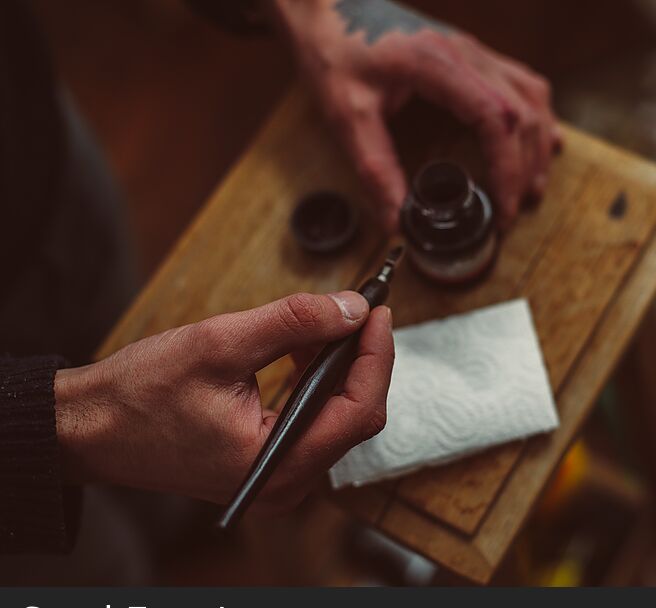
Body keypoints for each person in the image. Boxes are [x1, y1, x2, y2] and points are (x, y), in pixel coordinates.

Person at [0, 0, 558, 556]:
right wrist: (69, 428)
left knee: (119, 336)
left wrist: (309, 10)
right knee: (103, 565)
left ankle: (182, 519)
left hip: (34, 143)